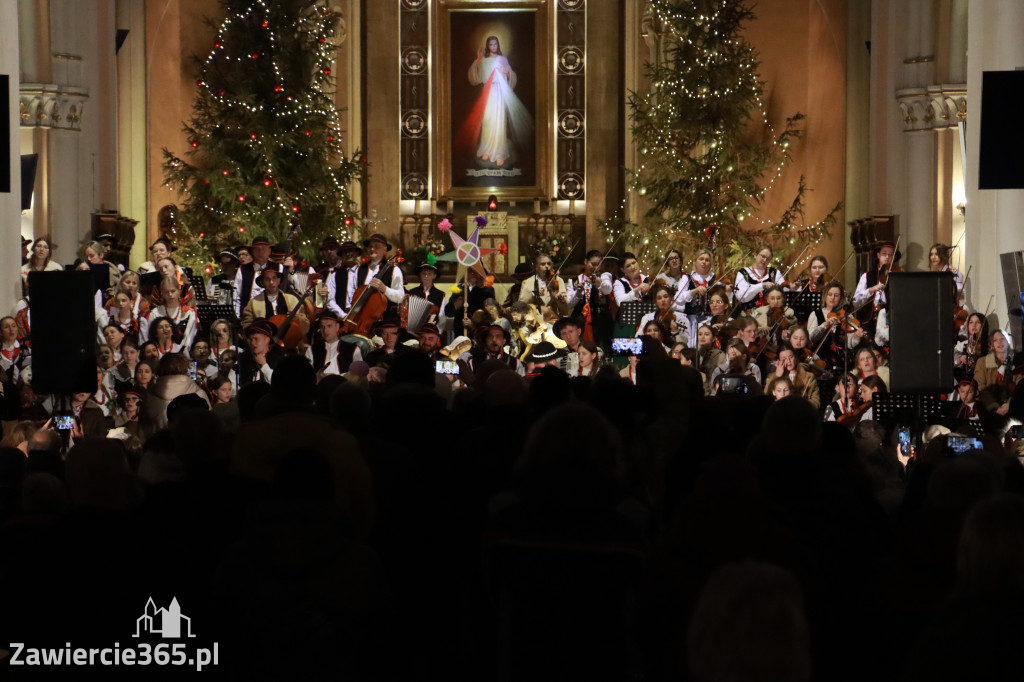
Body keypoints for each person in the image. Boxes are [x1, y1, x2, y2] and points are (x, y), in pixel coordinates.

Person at [465, 35, 533, 167]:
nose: (493, 47)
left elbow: (511, 75)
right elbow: (476, 78)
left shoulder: (503, 59)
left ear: (498, 45)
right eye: (491, 45)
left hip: (499, 93)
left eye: (495, 44)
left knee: (499, 121)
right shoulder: (484, 61)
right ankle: (487, 150)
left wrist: (506, 71)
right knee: (488, 120)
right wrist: (478, 60)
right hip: (487, 93)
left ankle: (499, 153)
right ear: (487, 46)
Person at [241, 263, 310, 335]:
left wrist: (298, 319)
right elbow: (247, 325)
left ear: (279, 281)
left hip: (289, 340)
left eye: (274, 278)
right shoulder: (253, 303)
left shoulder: (292, 300)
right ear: (262, 283)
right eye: (267, 279)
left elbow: (305, 324)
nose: (271, 282)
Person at [566, 249, 614, 348]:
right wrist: (578, 292)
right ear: (585, 262)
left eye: (598, 264)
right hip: (580, 318)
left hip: (600, 318)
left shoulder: (604, 276)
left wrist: (599, 283)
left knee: (601, 348)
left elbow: (607, 289)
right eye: (593, 264)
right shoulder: (574, 281)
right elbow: (569, 304)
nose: (596, 267)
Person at [674, 248, 718, 344]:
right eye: (701, 259)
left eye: (707, 260)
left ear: (710, 264)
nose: (704, 262)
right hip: (691, 319)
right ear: (695, 262)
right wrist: (694, 291)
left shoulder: (714, 279)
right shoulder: (687, 278)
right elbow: (677, 298)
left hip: (709, 319)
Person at [141, 276, 198, 349]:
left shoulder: (189, 313)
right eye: (166, 292)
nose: (170, 295)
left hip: (183, 353)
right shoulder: (155, 313)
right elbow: (151, 336)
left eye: (173, 291)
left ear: (179, 291)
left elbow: (190, 338)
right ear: (162, 294)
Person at [974, 328, 1021, 416]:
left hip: (1011, 408)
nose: (999, 342)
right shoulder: (982, 362)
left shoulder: (1017, 362)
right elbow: (980, 387)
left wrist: (1007, 406)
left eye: (1002, 339)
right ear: (992, 345)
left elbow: (1019, 389)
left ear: (1008, 341)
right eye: (995, 340)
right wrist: (994, 407)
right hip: (987, 407)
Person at [306, 312, 361, 377]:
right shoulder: (312, 350)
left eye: (329, 326)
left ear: (337, 327)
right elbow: (307, 375)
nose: (325, 330)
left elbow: (359, 375)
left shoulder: (353, 349)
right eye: (322, 327)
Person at [765, 344, 821, 408]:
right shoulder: (773, 376)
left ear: (795, 357)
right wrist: (777, 376)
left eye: (791, 357)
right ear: (779, 361)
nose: (788, 361)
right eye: (784, 358)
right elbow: (766, 395)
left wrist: (801, 406)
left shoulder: (808, 377)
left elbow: (816, 402)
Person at [734, 245, 787, 313]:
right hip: (749, 315)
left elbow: (783, 290)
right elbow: (741, 296)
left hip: (770, 314)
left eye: (768, 259)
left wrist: (791, 287)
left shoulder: (774, 273)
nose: (764, 260)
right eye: (763, 256)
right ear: (755, 255)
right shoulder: (743, 273)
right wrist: (762, 286)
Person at [445, 267, 495, 338]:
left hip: (478, 334)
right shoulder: (459, 288)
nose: (473, 274)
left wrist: (472, 324)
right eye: (470, 271)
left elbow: (490, 315)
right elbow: (448, 312)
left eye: (475, 272)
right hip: (460, 333)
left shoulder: (487, 290)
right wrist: (455, 305)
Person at [237, 319, 285, 387]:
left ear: (267, 340)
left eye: (256, 339)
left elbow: (279, 383)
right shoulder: (244, 358)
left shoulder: (279, 358)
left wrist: (264, 364)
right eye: (251, 340)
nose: (253, 343)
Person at [234, 235, 273, 317]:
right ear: (252, 252)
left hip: (273, 317)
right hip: (249, 317)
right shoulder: (243, 270)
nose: (260, 252)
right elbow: (236, 296)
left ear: (269, 251)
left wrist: (290, 270)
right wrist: (237, 317)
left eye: (264, 249)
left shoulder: (278, 268)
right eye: (257, 249)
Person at [325, 240, 364, 319]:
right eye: (345, 252)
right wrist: (343, 315)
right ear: (341, 256)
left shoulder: (366, 272)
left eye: (351, 251)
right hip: (341, 317)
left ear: (357, 253)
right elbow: (330, 300)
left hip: (361, 316)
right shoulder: (335, 275)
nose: (348, 254)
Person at [954, 311, 988, 382]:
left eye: (978, 322)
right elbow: (952, 361)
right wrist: (960, 359)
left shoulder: (989, 345)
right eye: (971, 322)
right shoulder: (962, 344)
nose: (974, 325)